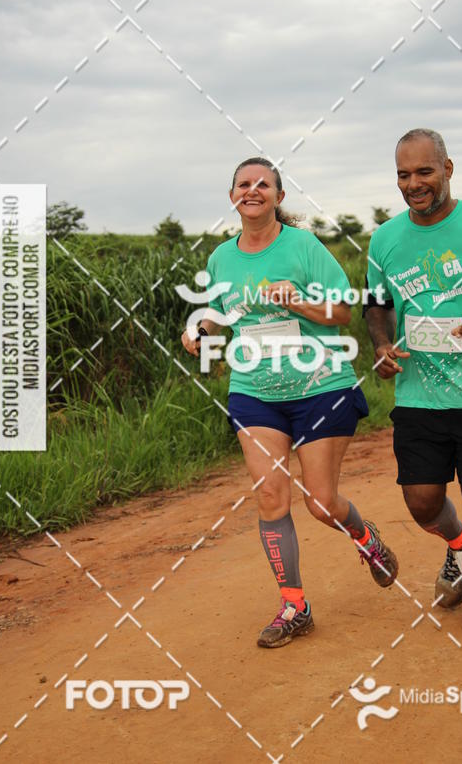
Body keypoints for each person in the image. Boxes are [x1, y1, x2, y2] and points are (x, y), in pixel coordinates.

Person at [182, 156, 398, 648]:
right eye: (243, 184)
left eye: (263, 184)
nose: (252, 190)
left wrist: (295, 300)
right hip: (255, 391)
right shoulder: (221, 258)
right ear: (232, 196)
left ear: (278, 196)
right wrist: (200, 328)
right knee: (270, 497)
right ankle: (294, 607)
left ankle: (366, 539)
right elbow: (221, 309)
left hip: (319, 386)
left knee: (321, 503)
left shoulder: (303, 246)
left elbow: (341, 312)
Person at [364, 128, 462, 633]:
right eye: (403, 175)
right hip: (417, 396)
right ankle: (461, 546)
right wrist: (381, 346)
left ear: (447, 169)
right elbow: (377, 305)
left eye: (424, 171)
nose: (414, 184)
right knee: (422, 501)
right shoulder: (385, 239)